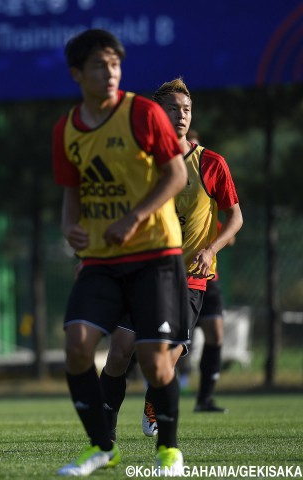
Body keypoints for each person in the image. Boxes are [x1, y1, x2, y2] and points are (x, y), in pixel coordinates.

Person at [52, 30, 190, 476]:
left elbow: (175, 177)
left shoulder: (143, 114)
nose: (109, 72)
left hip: (155, 255)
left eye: (114, 64)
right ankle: (101, 446)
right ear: (77, 74)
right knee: (76, 347)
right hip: (102, 260)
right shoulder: (68, 129)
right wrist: (69, 228)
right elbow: (72, 191)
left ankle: (169, 449)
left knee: (153, 358)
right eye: (98, 65)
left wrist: (134, 218)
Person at [98, 78, 242, 444]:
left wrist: (211, 250)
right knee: (118, 353)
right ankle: (104, 436)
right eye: (173, 109)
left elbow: (236, 218)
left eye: (187, 109)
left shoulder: (211, 163)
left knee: (166, 357)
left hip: (190, 280)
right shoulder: (140, 162)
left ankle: (152, 402)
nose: (181, 115)